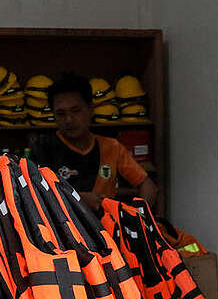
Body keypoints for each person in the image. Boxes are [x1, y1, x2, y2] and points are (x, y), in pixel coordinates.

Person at [30, 73, 158, 211]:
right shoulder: (42, 149)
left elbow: (149, 187)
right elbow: (35, 197)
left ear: (90, 109)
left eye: (76, 111)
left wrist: (137, 217)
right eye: (61, 114)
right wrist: (78, 199)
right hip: (62, 228)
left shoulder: (111, 147)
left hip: (106, 228)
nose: (69, 120)